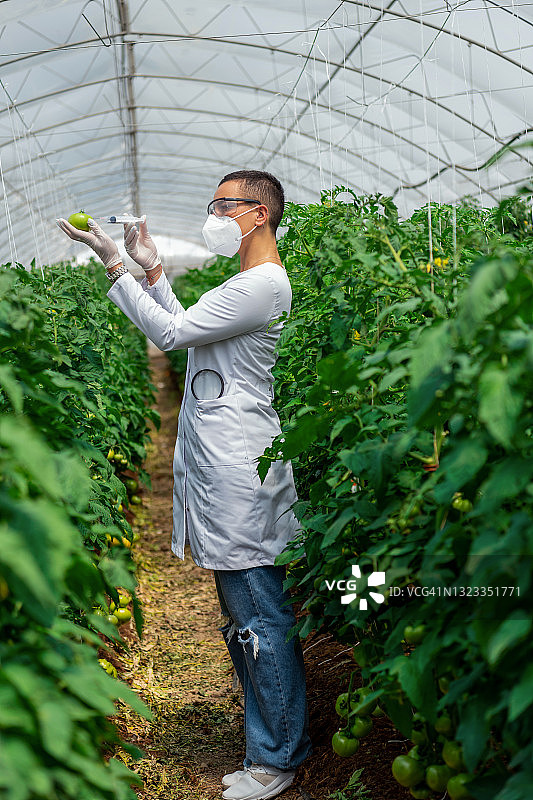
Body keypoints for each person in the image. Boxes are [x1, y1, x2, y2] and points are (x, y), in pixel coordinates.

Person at [56, 169, 312, 800]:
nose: (214, 214)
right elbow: (189, 330)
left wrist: (115, 263)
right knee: (244, 609)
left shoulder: (261, 285)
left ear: (257, 213)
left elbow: (168, 335)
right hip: (229, 460)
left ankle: (277, 760)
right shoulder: (249, 284)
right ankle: (270, 745)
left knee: (257, 610)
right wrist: (152, 274)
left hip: (241, 467)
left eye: (222, 206)